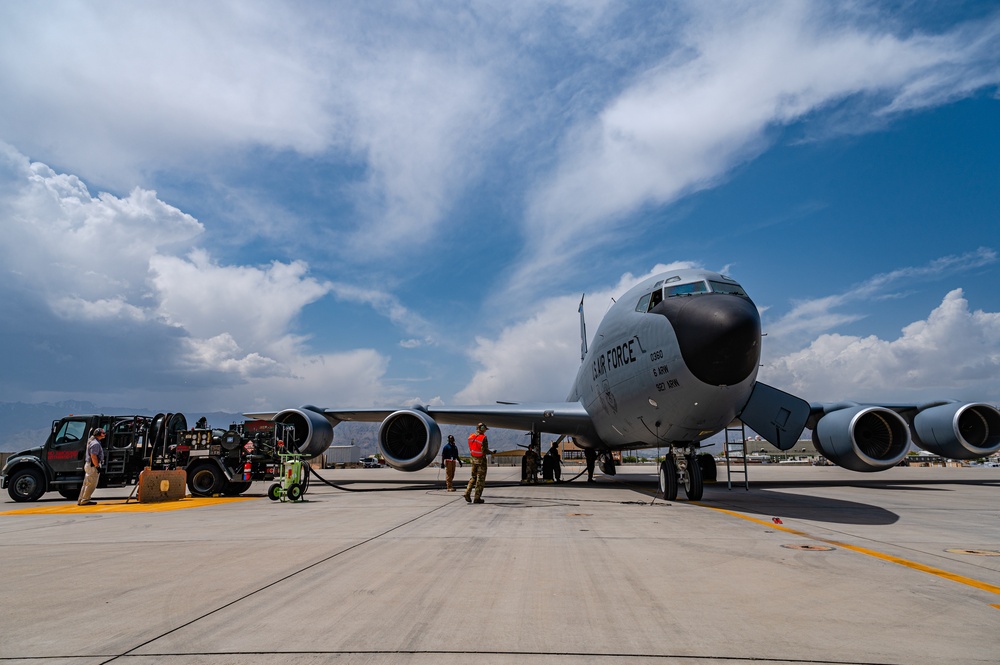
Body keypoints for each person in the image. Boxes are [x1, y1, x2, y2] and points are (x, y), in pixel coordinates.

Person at [464, 423, 494, 504]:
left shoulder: (471, 436)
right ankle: (477, 498)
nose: (485, 431)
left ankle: (467, 492)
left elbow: (472, 448)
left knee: (473, 477)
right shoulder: (483, 438)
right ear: (482, 428)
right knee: (480, 480)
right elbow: (484, 450)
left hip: (473, 460)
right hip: (481, 461)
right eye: (485, 429)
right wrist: (491, 452)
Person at [78, 428, 106, 505]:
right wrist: (97, 466)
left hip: (89, 465)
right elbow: (94, 456)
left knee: (86, 483)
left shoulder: (92, 441)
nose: (104, 434)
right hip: (92, 466)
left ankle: (81, 499)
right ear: (99, 434)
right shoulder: (96, 444)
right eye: (103, 433)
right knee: (91, 484)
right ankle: (85, 500)